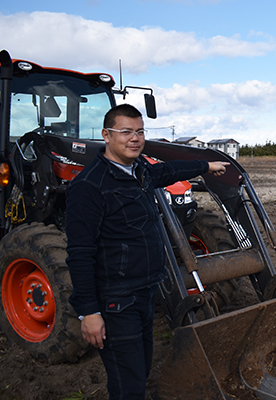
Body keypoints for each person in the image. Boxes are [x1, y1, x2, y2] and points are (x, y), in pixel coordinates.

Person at [65, 104, 228, 399]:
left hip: (144, 292)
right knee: (128, 383)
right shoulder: (89, 186)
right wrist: (88, 312)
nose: (135, 138)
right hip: (117, 300)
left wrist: (205, 166)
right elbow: (80, 252)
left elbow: (168, 170)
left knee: (140, 370)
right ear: (106, 135)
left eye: (139, 131)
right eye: (126, 131)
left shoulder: (139, 170)